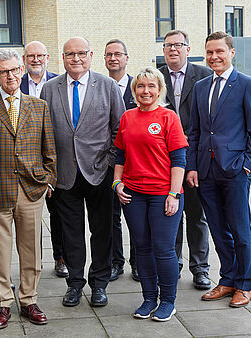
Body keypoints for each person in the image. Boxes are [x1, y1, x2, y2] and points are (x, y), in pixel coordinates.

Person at [0, 49, 56, 329]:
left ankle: (29, 299)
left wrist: (48, 181)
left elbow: (49, 150)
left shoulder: (38, 106)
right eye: (4, 71)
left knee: (31, 250)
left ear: (22, 71)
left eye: (15, 70)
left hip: (31, 190)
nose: (10, 76)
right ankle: (3, 303)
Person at [40, 37, 125, 308]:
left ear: (90, 55)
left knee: (102, 231)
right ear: (62, 58)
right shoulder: (50, 89)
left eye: (80, 54)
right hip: (64, 174)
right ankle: (75, 284)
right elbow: (44, 133)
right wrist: (48, 171)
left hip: (100, 173)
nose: (75, 59)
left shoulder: (109, 86)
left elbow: (119, 131)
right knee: (71, 233)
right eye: (69, 54)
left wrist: (110, 162)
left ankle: (99, 284)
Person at [187, 31, 251, 307]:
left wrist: (245, 166)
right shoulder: (200, 87)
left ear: (232, 52)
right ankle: (228, 279)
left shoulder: (247, 84)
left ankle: (245, 284)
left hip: (234, 171)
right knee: (219, 231)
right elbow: (195, 131)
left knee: (241, 231)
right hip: (206, 171)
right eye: (209, 52)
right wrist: (193, 167)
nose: (214, 57)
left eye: (219, 51)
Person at [114, 67, 188, 321]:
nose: (146, 91)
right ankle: (148, 299)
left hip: (162, 194)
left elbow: (179, 158)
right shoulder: (127, 117)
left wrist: (174, 194)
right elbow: (120, 155)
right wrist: (117, 183)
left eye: (151, 86)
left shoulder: (168, 117)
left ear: (159, 90)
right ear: (134, 91)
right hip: (133, 194)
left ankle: (168, 301)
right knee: (142, 247)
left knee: (164, 249)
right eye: (140, 87)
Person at [159, 30, 213, 289]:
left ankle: (200, 268)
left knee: (196, 215)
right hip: (162, 161)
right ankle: (174, 265)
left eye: (178, 45)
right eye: (168, 45)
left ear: (188, 49)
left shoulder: (203, 76)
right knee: (171, 215)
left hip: (193, 159)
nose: (173, 50)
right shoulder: (156, 76)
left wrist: (194, 162)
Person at [21, 40, 66, 278]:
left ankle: (60, 258)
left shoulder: (59, 83)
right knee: (29, 218)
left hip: (52, 160)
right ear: (24, 59)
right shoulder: (15, 84)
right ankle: (33, 262)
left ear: (47, 58)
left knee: (58, 213)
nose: (35, 60)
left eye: (40, 55)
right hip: (25, 164)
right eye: (31, 56)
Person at [104, 38, 138, 282]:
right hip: (111, 164)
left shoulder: (139, 87)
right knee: (111, 217)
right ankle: (116, 262)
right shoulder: (101, 86)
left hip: (137, 164)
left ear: (127, 58)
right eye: (109, 55)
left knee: (136, 217)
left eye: (118, 54)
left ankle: (137, 262)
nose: (113, 58)